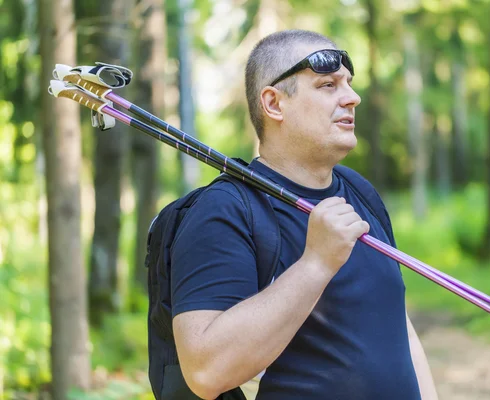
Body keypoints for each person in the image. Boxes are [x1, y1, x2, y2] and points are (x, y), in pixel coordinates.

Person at [170, 29, 438, 400]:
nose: (353, 97)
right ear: (274, 104)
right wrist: (315, 264)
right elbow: (205, 371)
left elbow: (398, 328)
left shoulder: (359, 190)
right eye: (328, 85)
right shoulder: (225, 210)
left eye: (349, 84)